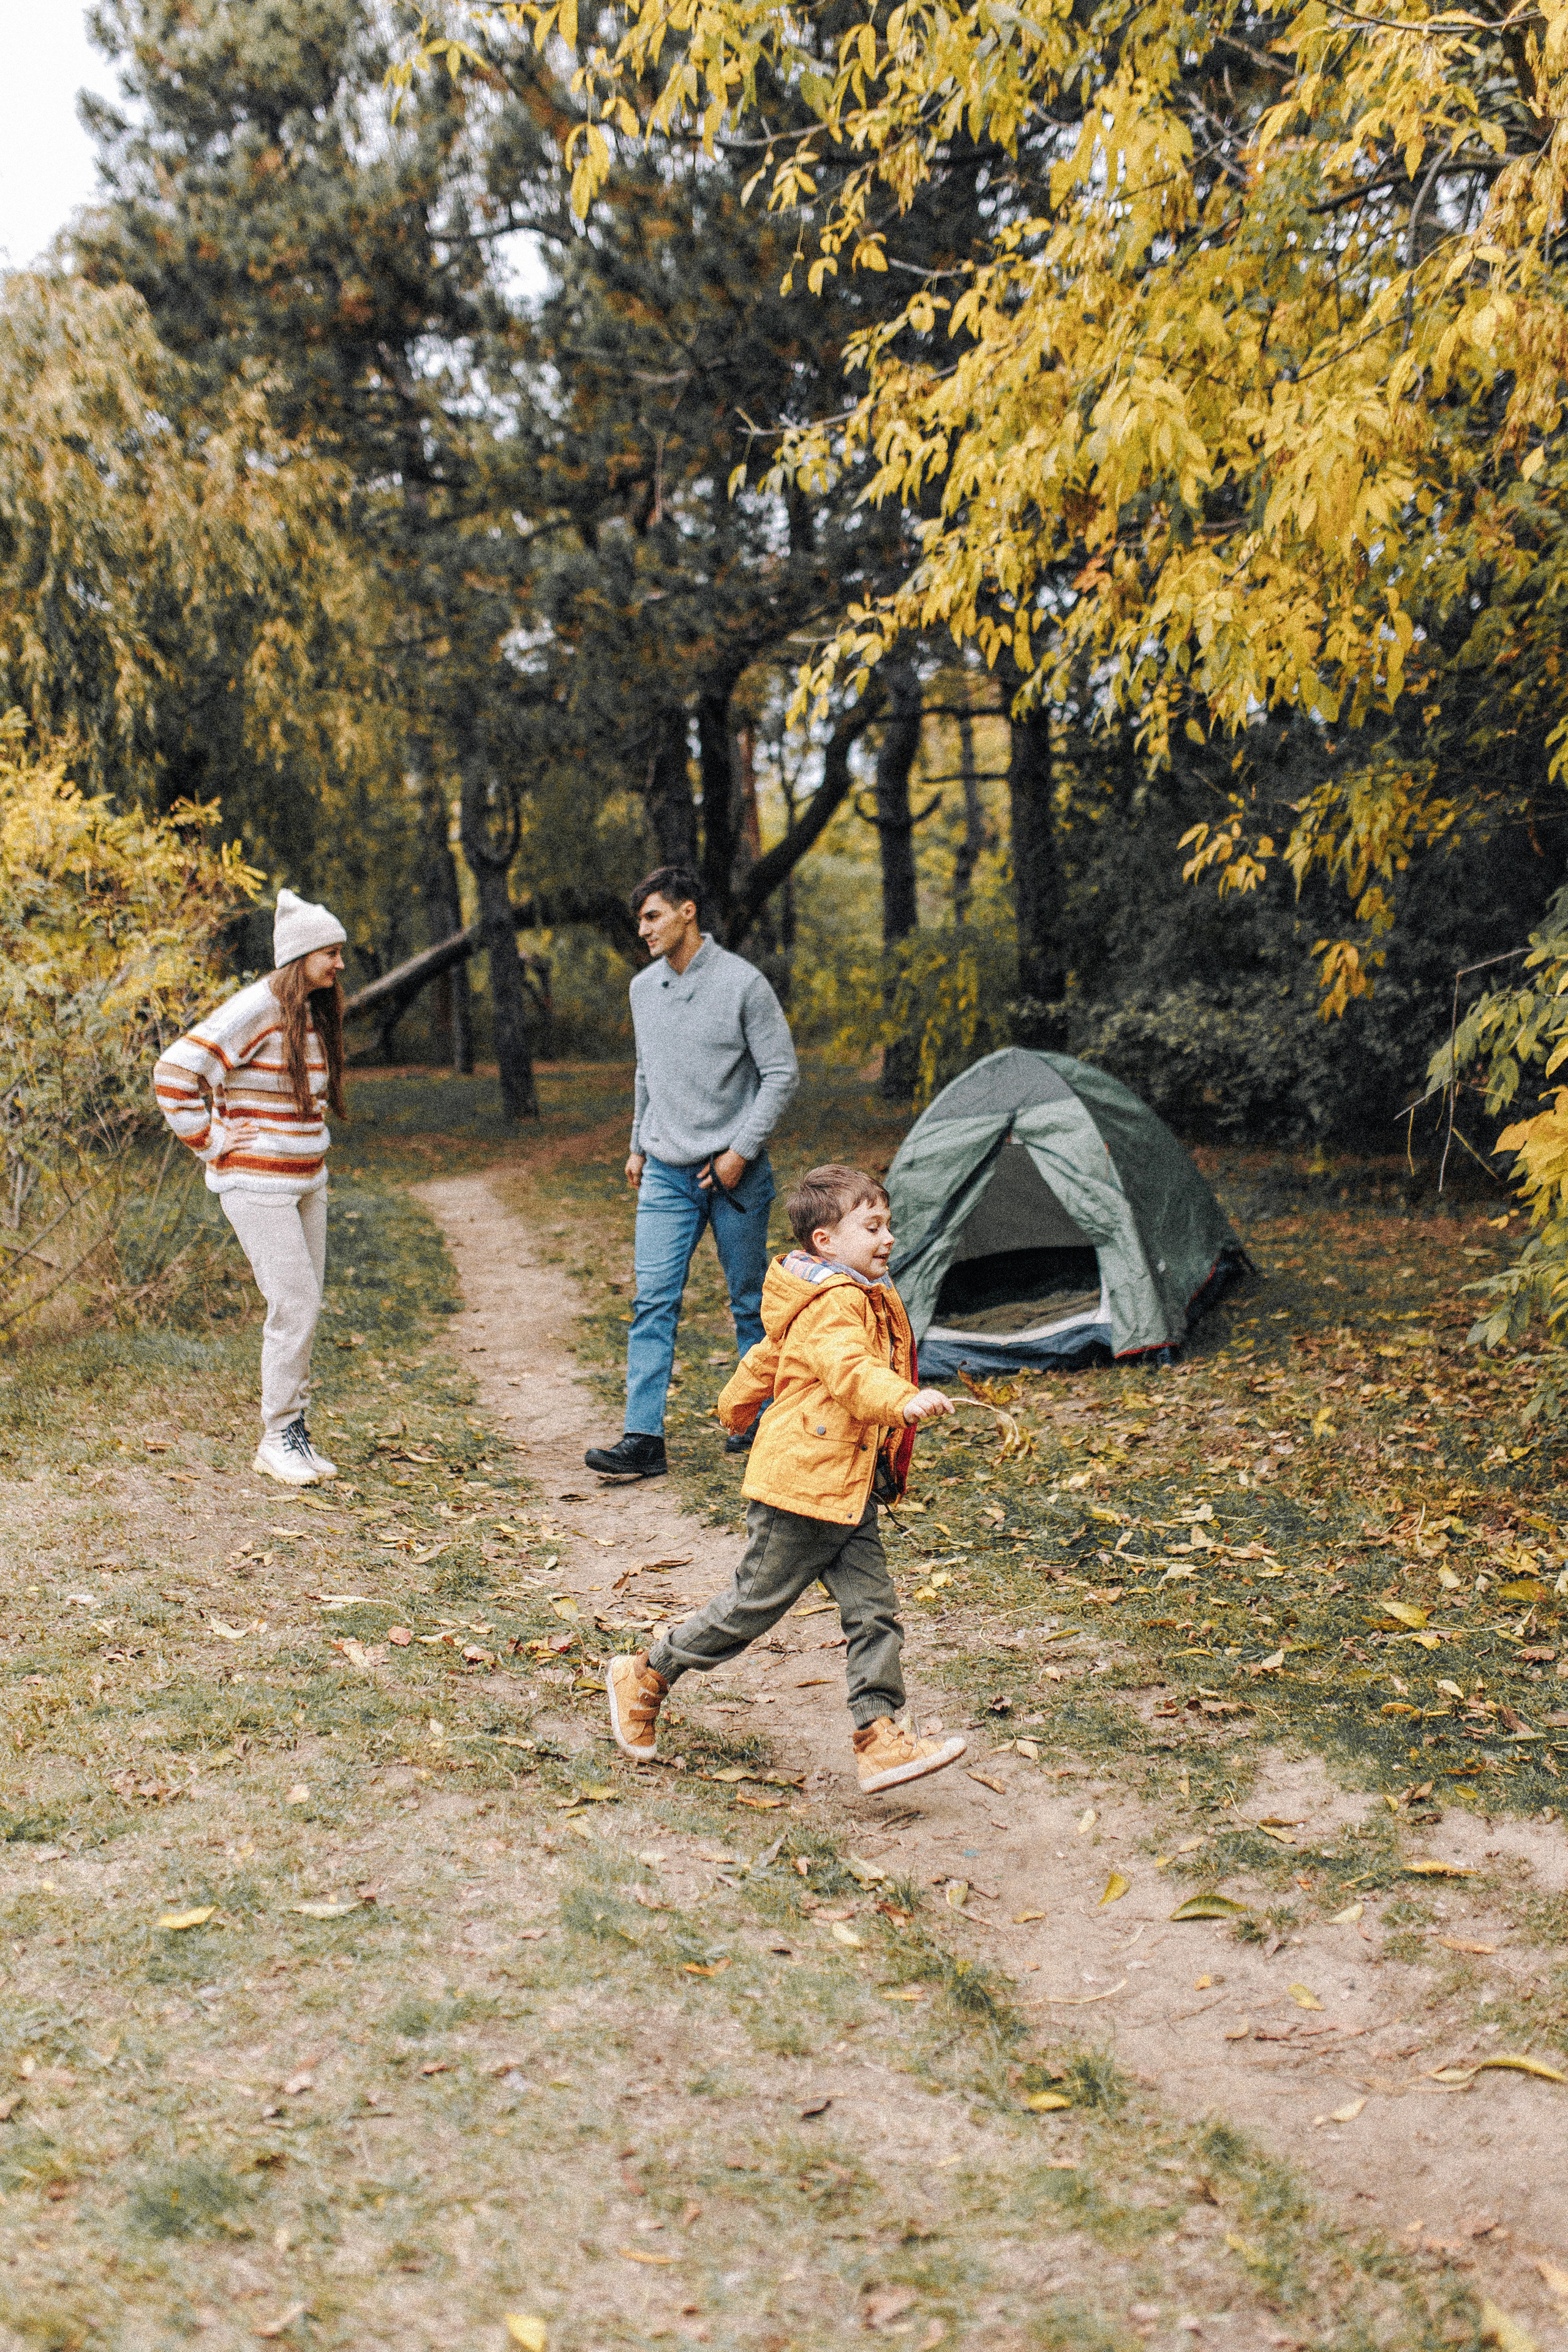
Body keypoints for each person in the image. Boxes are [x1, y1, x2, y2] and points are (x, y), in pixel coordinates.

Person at [605, 1163, 970, 1794]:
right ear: (825, 1241)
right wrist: (899, 1400)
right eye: (872, 1226)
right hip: (802, 1488)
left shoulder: (832, 1294)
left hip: (846, 1485)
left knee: (873, 1612)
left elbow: (770, 1355)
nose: (888, 1238)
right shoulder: (836, 1304)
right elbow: (850, 1371)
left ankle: (877, 1735)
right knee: (750, 1608)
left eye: (888, 1225)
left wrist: (738, 1403)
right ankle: (645, 1673)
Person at [585, 864, 799, 1481]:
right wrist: (636, 1144)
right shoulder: (642, 989)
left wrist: (740, 1152)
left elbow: (781, 1074)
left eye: (652, 916)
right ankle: (643, 1440)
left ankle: (759, 1423)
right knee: (652, 1302)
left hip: (735, 1173)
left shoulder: (743, 984)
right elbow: (647, 1071)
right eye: (641, 920)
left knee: (748, 1302)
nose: (643, 930)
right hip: (665, 1173)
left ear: (687, 912)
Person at [153, 889, 348, 1488]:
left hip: (304, 1181)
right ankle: (276, 1438)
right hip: (257, 1184)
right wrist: (212, 1141)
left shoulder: (307, 1010)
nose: (341, 965)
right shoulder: (256, 1007)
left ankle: (293, 1431)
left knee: (304, 1306)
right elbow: (174, 1072)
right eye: (332, 953)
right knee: (293, 1305)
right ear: (302, 954)